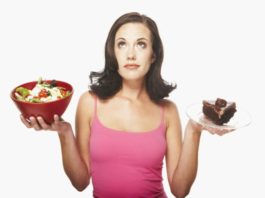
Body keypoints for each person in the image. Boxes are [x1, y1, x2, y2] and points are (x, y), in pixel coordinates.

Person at [20, 12, 232, 198]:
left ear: (153, 55)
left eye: (141, 44)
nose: (130, 54)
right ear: (113, 53)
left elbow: (180, 190)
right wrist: (65, 133)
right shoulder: (89, 102)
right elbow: (80, 183)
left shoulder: (168, 110)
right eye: (122, 44)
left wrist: (194, 130)